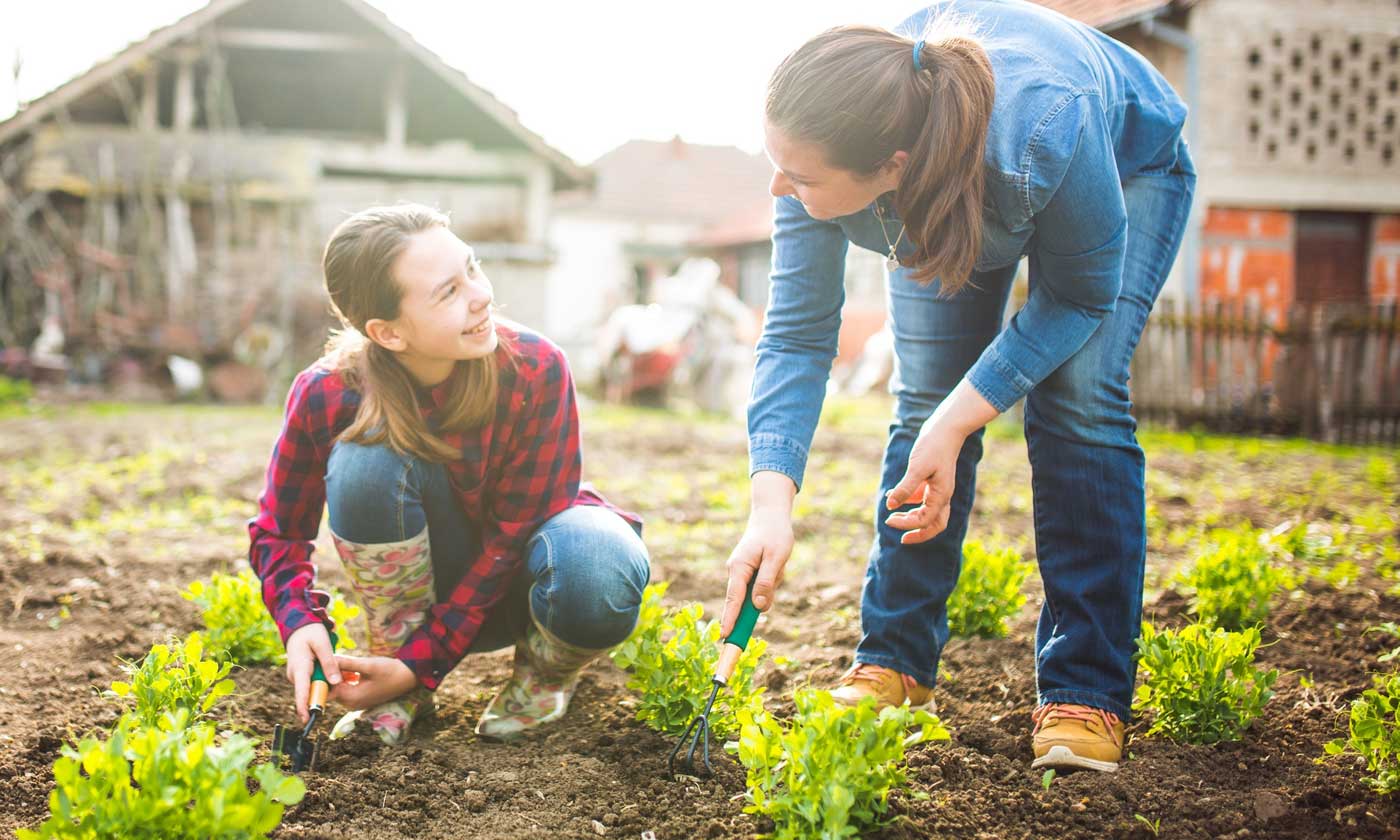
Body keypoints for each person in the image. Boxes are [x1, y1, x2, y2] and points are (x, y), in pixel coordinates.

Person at [721, 1, 1195, 773]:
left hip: (1124, 162)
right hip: (951, 171)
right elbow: (798, 335)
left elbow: (1077, 298)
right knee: (926, 393)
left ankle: (1085, 689)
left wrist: (959, 423)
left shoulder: (1045, 128)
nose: (779, 186)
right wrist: (768, 507)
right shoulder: (822, 150)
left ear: (891, 170)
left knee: (1077, 398)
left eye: (800, 176)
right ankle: (897, 662)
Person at [248, 204, 649, 744]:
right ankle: (398, 683)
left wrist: (423, 662)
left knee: (598, 562)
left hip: (526, 587)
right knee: (365, 459)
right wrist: (300, 622)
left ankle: (543, 677)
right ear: (387, 333)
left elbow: (512, 539)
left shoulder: (534, 368)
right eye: (448, 292)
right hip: (421, 598)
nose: (481, 294)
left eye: (472, 269)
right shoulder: (328, 393)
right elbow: (280, 532)